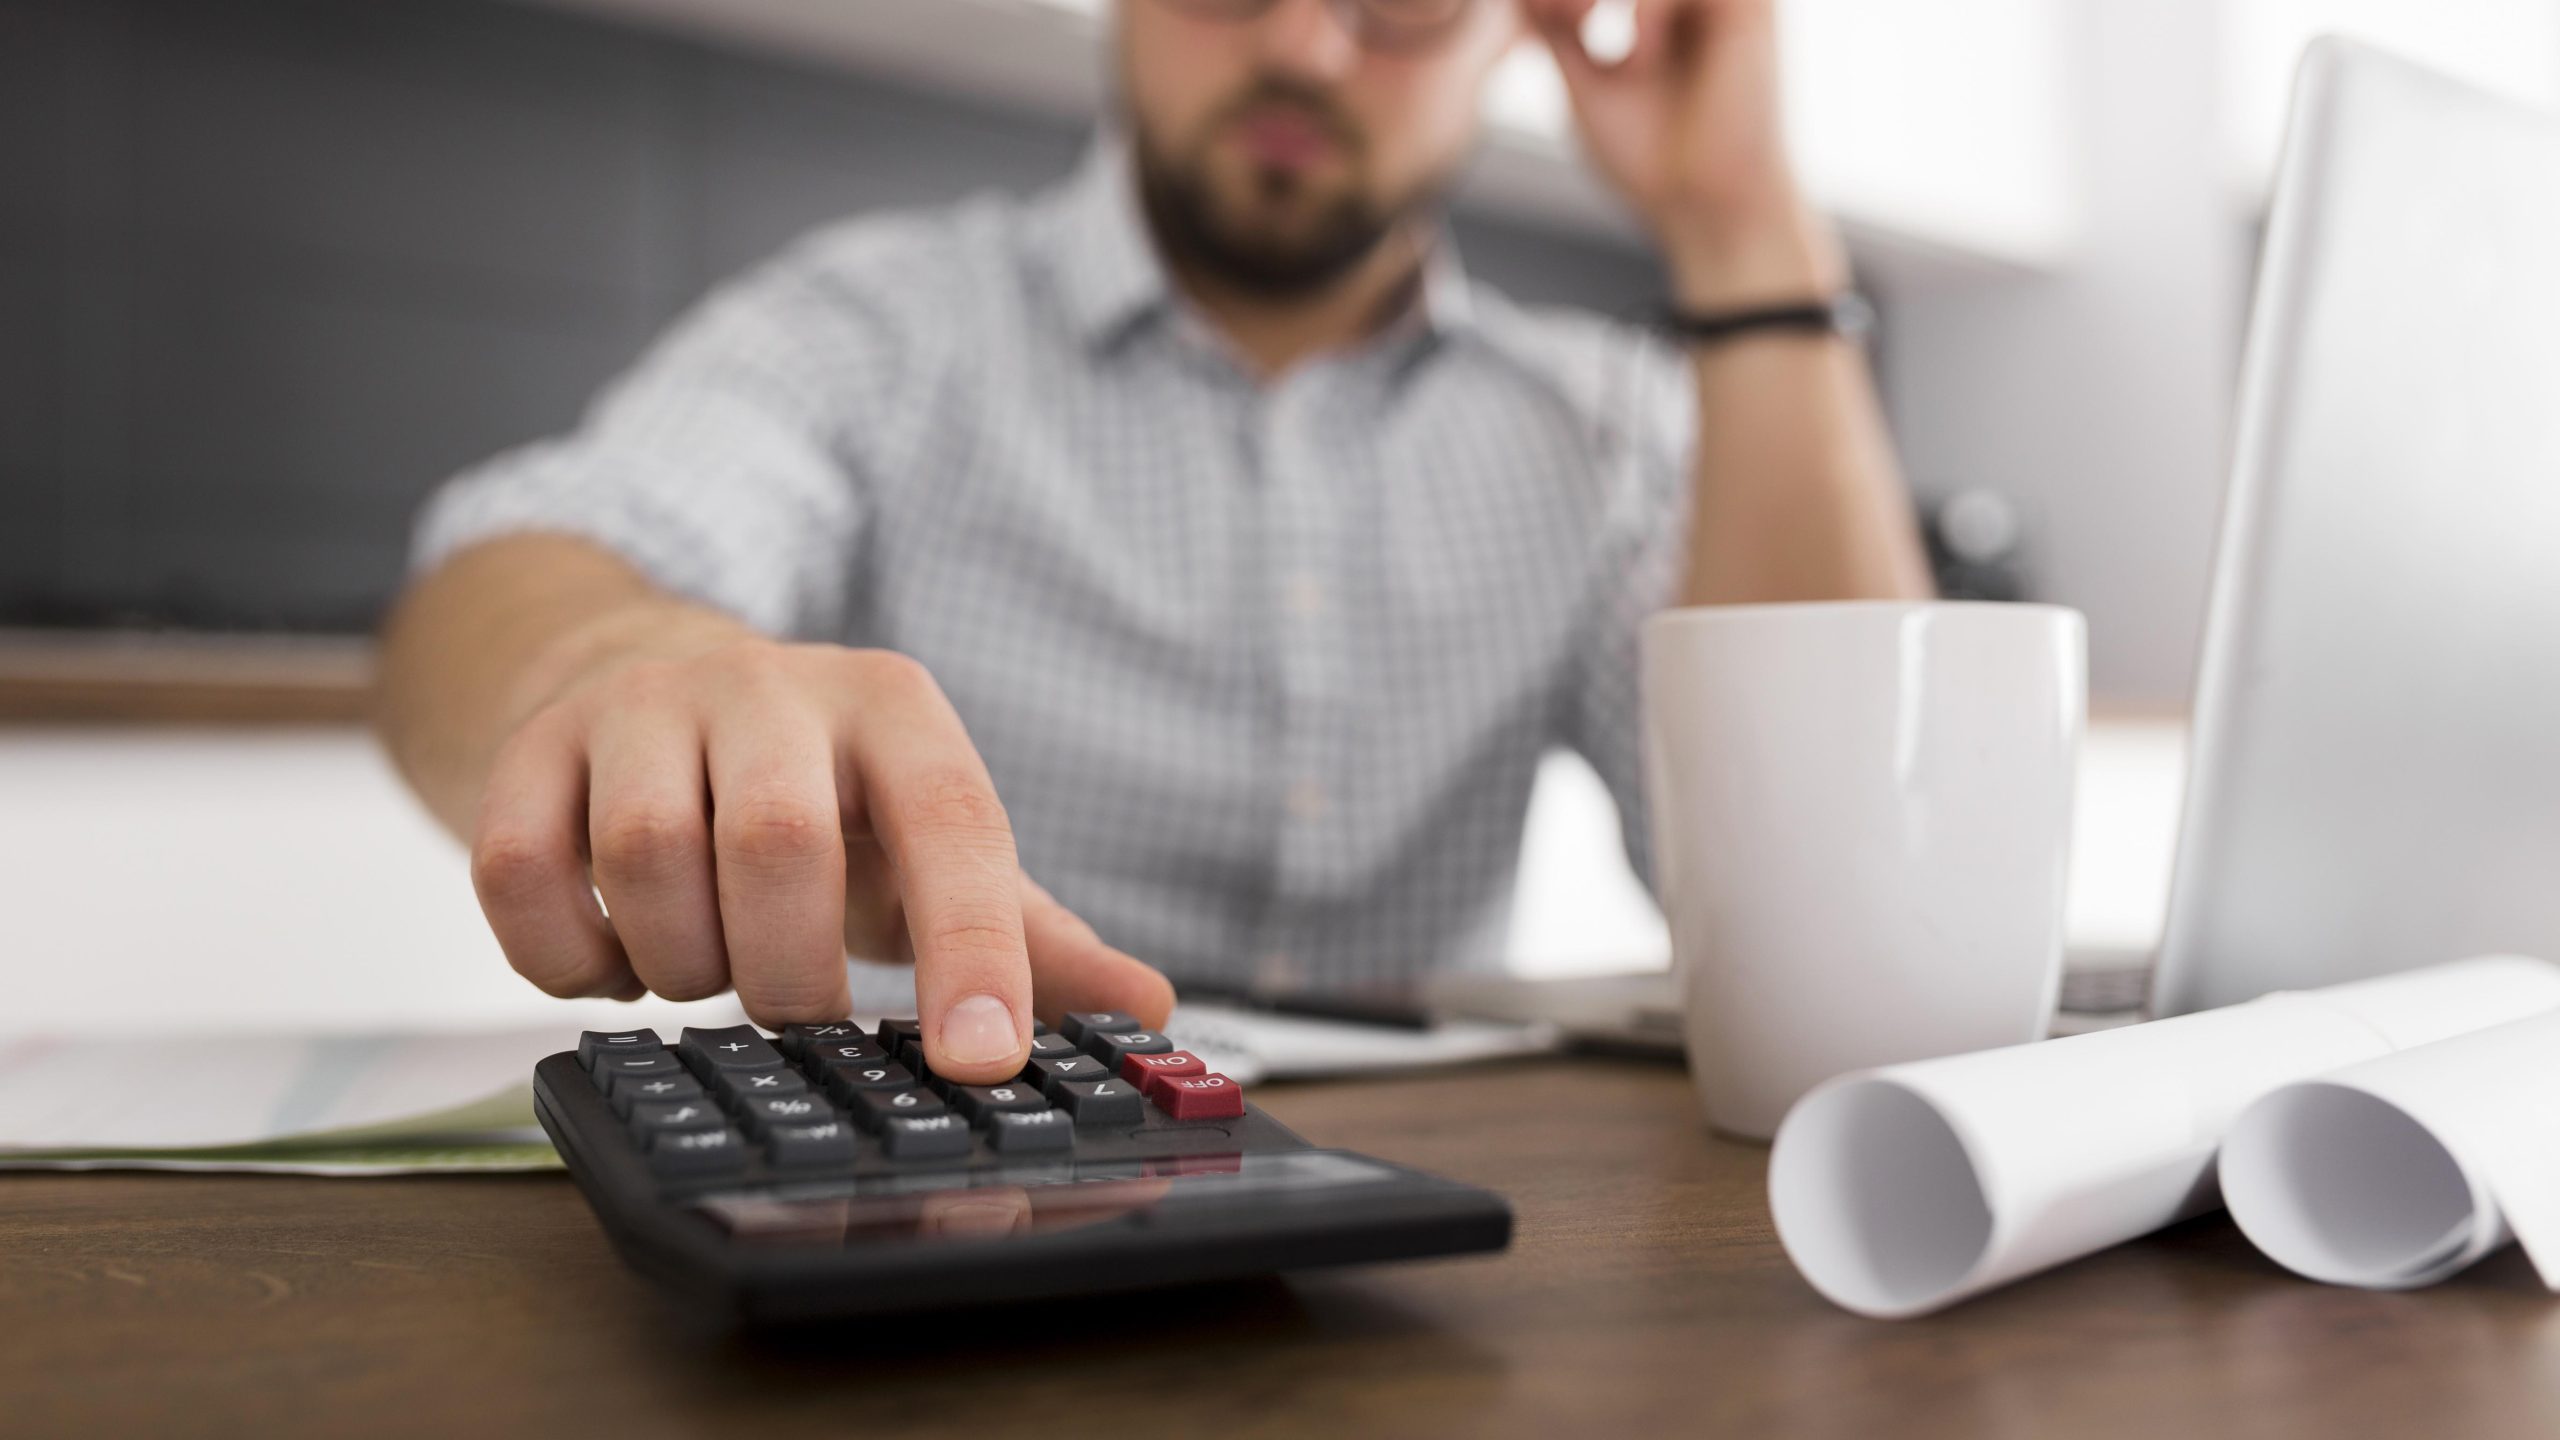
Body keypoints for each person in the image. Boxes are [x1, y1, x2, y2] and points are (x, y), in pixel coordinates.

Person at [376, 0, 1929, 1086]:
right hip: (938, 1203)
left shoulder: (1613, 427)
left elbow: (1845, 899)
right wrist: (638, 672)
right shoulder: (877, 332)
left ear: (1518, 26)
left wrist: (1742, 223)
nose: (1306, 41)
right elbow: (533, 557)